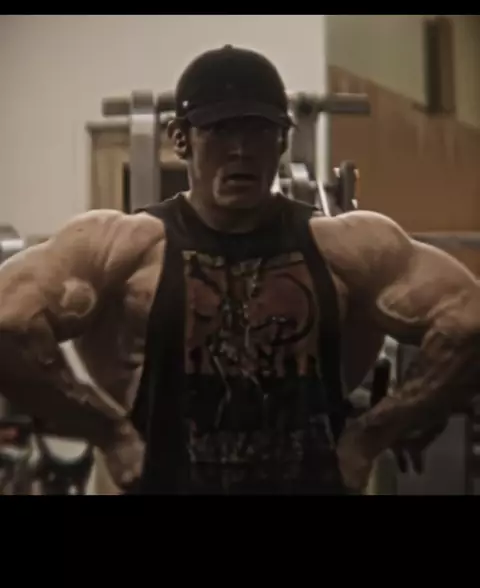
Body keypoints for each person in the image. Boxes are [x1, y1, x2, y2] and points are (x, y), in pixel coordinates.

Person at [0, 45, 478, 494]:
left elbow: (469, 320)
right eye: (220, 130)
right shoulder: (118, 246)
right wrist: (107, 431)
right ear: (181, 138)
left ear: (283, 139)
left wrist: (375, 432)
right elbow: (8, 321)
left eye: (258, 131)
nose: (241, 149)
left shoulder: (351, 246)